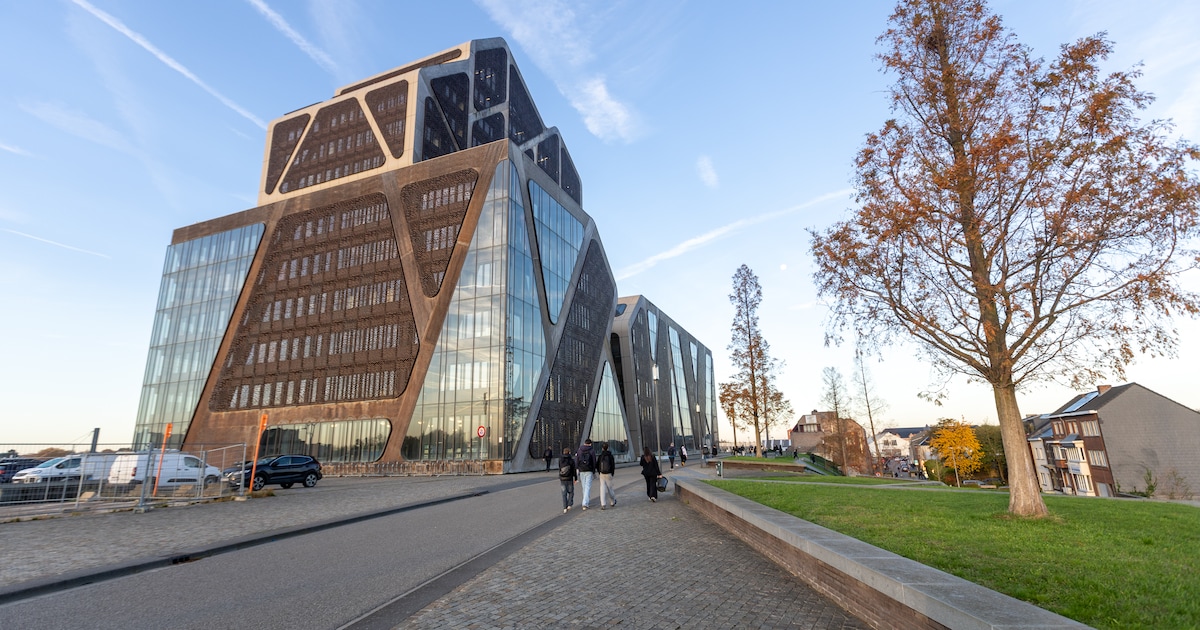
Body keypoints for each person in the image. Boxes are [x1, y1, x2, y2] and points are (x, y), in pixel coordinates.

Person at [575, 439, 597, 511]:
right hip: (589, 470)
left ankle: (586, 501)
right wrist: (594, 471)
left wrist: (577, 468)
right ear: (590, 444)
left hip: (581, 470)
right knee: (588, 487)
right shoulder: (592, 450)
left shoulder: (579, 450)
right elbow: (594, 461)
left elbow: (577, 460)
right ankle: (585, 503)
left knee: (584, 487)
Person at [597, 442, 617, 510]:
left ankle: (603, 504)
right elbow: (613, 465)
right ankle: (613, 501)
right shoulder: (610, 456)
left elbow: (597, 465)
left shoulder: (600, 456)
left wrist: (599, 472)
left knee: (602, 488)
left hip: (602, 474)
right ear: (608, 448)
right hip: (609, 473)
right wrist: (612, 473)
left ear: (602, 448)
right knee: (610, 488)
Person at [558, 447, 577, 513]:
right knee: (571, 492)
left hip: (562, 478)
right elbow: (574, 470)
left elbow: (559, 468)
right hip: (569, 478)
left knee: (564, 493)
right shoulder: (571, 460)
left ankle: (564, 508)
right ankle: (569, 504)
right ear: (569, 452)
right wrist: (576, 478)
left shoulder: (560, 460)